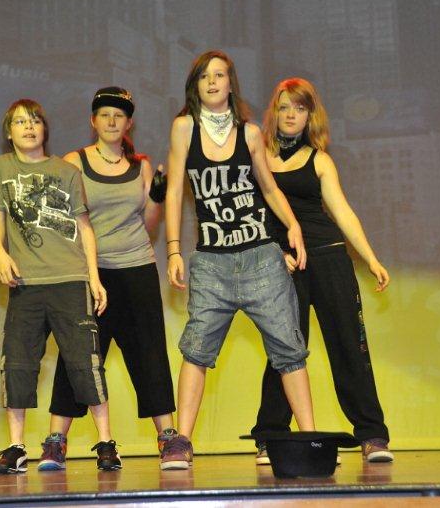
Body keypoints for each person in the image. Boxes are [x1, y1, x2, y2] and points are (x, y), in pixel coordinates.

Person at [160, 50, 315, 470]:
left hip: (261, 258)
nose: (212, 82)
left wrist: (293, 226)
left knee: (289, 350)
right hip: (212, 263)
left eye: (219, 75)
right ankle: (180, 442)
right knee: (196, 350)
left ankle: (310, 439)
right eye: (204, 76)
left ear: (231, 83)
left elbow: (269, 188)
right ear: (195, 85)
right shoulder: (184, 128)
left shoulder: (249, 133)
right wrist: (173, 249)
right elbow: (174, 191)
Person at [251, 78, 393, 463]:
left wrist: (371, 258)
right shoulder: (257, 158)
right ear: (274, 113)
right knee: (284, 351)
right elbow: (252, 215)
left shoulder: (320, 160)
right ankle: (271, 436)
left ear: (310, 116)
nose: (291, 115)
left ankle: (372, 436)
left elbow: (342, 212)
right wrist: (273, 252)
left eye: (299, 108)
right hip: (283, 265)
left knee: (349, 347)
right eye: (284, 107)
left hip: (328, 259)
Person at [0, 98, 119, 474]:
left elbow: (84, 227)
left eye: (35, 120)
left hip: (70, 280)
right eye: (20, 122)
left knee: (85, 362)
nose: (29, 127)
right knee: (18, 362)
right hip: (26, 284)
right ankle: (17, 447)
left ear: (45, 129)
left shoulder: (66, 171)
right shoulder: (2, 167)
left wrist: (94, 277)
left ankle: (107, 443)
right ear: (9, 133)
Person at [40, 87, 177, 471]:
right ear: (93, 121)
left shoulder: (141, 166)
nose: (112, 120)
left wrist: (157, 196)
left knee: (149, 353)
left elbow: (149, 226)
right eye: (105, 114)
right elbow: (58, 220)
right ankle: (56, 442)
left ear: (129, 123)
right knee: (78, 356)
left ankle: (168, 438)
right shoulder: (74, 162)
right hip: (91, 273)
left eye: (119, 115)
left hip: (137, 269)